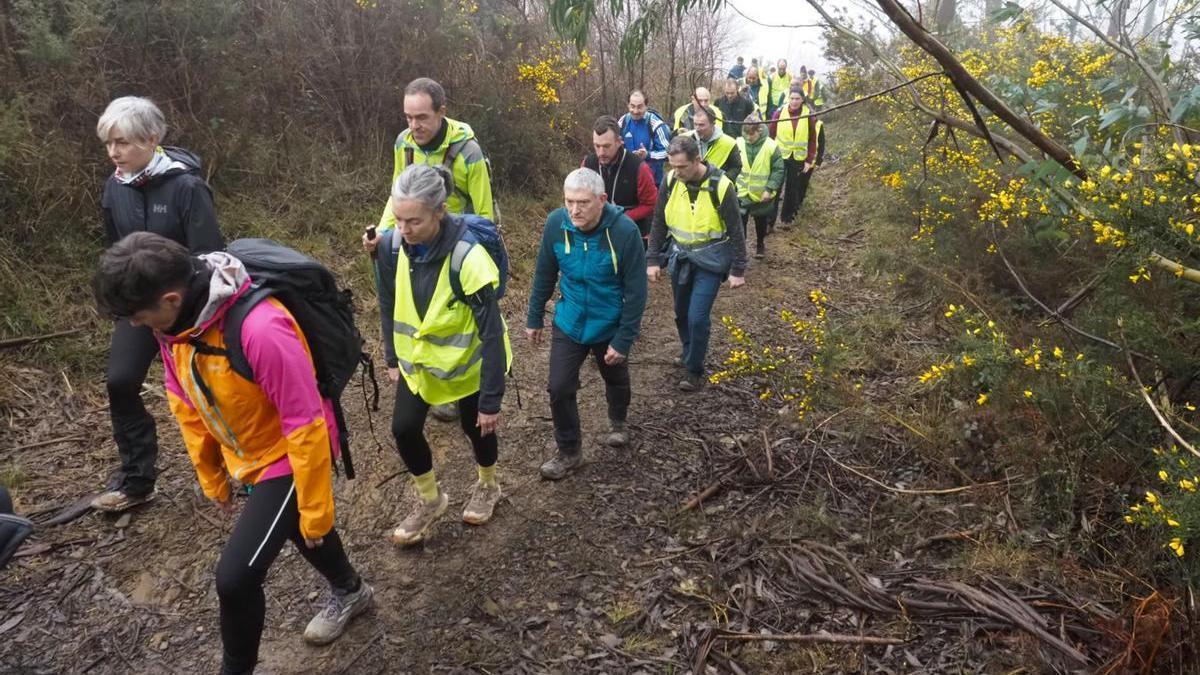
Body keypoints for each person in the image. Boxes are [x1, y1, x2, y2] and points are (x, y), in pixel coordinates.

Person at [92, 233, 372, 675]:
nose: (136, 327)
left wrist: (316, 507)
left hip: (289, 449)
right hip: (248, 446)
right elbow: (183, 399)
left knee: (236, 578)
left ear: (170, 297)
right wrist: (213, 475)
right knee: (295, 528)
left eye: (140, 318)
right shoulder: (178, 325)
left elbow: (305, 422)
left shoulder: (261, 328)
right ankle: (350, 588)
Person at [91, 96, 223, 513]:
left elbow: (209, 255)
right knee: (120, 381)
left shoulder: (186, 186)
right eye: (109, 143)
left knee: (209, 389)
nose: (114, 152)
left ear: (151, 139)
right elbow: (115, 248)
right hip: (138, 307)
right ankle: (136, 481)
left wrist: (183, 313)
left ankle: (242, 469)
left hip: (188, 309)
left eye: (123, 142)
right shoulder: (115, 186)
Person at [374, 164, 511, 545]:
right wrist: (390, 358)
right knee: (403, 428)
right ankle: (431, 500)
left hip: (467, 365)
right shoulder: (392, 246)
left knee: (476, 427)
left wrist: (491, 399)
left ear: (439, 211)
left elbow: (492, 332)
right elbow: (388, 302)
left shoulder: (469, 258)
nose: (403, 229)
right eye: (398, 219)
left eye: (413, 221)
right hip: (420, 364)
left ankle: (488, 485)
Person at [367, 77, 496, 424]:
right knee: (415, 314)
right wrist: (383, 232)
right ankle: (416, 374)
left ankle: (462, 385)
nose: (414, 125)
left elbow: (484, 215)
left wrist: (467, 257)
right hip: (414, 243)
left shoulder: (469, 152)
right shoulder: (403, 144)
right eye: (408, 117)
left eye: (422, 117)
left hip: (455, 246)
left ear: (442, 112)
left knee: (449, 320)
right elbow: (397, 197)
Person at [527, 168, 648, 480]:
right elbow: (544, 272)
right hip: (570, 321)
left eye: (582, 202)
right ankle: (569, 452)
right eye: (569, 202)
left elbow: (636, 292)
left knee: (615, 376)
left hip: (609, 321)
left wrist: (623, 339)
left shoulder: (624, 232)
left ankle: (618, 420)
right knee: (559, 386)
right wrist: (534, 317)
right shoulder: (557, 224)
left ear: (602, 200)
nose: (574, 210)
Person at [646, 135, 747, 392]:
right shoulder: (670, 181)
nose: (676, 171)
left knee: (697, 316)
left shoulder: (721, 186)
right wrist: (653, 259)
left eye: (682, 166)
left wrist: (738, 269)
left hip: (711, 261)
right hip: (680, 257)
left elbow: (736, 230)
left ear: (697, 160)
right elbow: (658, 222)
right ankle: (690, 350)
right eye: (673, 165)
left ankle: (694, 369)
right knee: (681, 313)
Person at [582, 115, 658, 241]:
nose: (601, 153)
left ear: (619, 142)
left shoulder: (638, 167)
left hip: (632, 232)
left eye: (606, 146)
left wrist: (622, 218)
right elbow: (581, 197)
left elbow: (652, 204)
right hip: (598, 231)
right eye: (597, 146)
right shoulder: (588, 163)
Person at [735, 112, 785, 258]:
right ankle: (741, 249)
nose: (749, 137)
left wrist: (770, 189)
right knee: (740, 222)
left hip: (761, 194)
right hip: (742, 192)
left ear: (760, 131)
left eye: (752, 134)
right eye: (746, 134)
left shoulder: (771, 146)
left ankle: (760, 244)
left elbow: (778, 169)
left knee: (760, 221)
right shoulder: (738, 143)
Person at [770, 87, 819, 227]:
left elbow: (812, 139)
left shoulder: (808, 115)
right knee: (775, 188)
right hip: (780, 156)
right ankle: (769, 222)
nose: (794, 101)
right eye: (792, 98)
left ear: (802, 99)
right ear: (788, 99)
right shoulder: (779, 112)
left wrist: (809, 160)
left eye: (797, 99)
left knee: (792, 189)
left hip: (798, 158)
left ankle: (787, 219)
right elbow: (771, 134)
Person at [618, 90, 672, 185]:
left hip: (653, 182)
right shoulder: (622, 122)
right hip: (628, 180)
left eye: (639, 107)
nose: (635, 111)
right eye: (632, 106)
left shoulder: (656, 124)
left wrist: (647, 155)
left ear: (646, 106)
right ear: (628, 105)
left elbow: (668, 153)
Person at [689, 106, 741, 184]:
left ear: (713, 124)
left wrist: (722, 180)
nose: (697, 128)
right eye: (695, 124)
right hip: (692, 187)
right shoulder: (687, 140)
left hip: (718, 190)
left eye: (701, 125)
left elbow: (736, 167)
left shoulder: (729, 143)